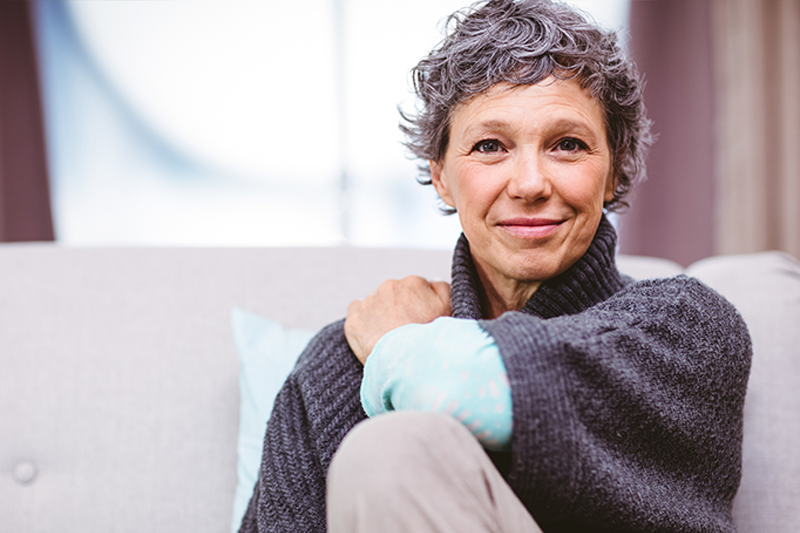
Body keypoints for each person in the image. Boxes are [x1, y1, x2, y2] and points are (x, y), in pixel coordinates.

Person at [238, 1, 752, 532]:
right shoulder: (337, 363)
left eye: (567, 145)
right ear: (440, 176)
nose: (529, 183)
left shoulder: (686, 332)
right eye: (490, 146)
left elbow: (460, 389)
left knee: (391, 453)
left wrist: (396, 346)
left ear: (615, 171)